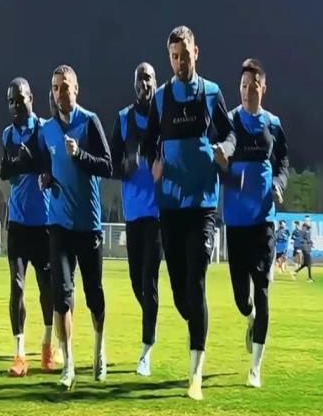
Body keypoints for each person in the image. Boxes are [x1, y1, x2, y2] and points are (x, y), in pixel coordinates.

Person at [143, 25, 236, 400]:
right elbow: (148, 143)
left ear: (196, 52)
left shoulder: (211, 93)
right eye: (174, 57)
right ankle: (194, 318)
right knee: (181, 294)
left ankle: (195, 372)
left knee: (196, 284)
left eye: (185, 55)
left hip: (203, 206)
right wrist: (153, 163)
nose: (180, 62)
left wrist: (225, 150)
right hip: (171, 206)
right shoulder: (161, 98)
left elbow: (230, 134)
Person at [39, 65, 112, 390]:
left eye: (65, 87)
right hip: (58, 224)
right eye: (55, 88)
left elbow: (107, 166)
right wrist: (45, 178)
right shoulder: (47, 130)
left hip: (88, 224)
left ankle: (99, 347)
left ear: (76, 89)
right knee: (62, 297)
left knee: (94, 295)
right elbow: (47, 166)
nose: (60, 93)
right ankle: (68, 364)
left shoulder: (90, 122)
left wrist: (80, 154)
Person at [223, 58, 289, 389]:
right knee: (242, 299)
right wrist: (228, 175)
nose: (247, 92)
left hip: (264, 221)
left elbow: (283, 162)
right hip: (236, 223)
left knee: (262, 292)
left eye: (253, 86)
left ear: (264, 88)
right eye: (243, 86)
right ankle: (248, 318)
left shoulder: (273, 124)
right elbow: (217, 164)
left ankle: (255, 368)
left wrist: (278, 184)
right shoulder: (229, 121)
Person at [0, 77, 58, 377]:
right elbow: (5, 171)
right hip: (18, 224)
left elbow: (53, 166)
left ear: (31, 98)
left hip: (44, 224)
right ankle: (20, 354)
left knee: (47, 290)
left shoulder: (45, 130)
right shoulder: (8, 135)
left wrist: (34, 164)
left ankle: (47, 345)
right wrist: (8, 167)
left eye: (20, 99)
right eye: (11, 101)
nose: (16, 106)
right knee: (17, 286)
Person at [110, 62, 162, 376]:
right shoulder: (123, 119)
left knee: (149, 279)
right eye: (140, 79)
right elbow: (110, 163)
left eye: (148, 78)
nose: (144, 83)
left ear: (155, 82)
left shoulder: (164, 118)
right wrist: (125, 166)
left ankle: (146, 351)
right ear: (134, 85)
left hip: (158, 213)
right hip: (133, 213)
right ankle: (151, 320)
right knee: (135, 281)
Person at [293, 217, 314, 282]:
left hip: (308, 247)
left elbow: (308, 238)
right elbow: (301, 238)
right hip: (305, 248)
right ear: (305, 221)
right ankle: (310, 278)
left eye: (309, 220)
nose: (308, 221)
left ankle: (295, 272)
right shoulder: (304, 228)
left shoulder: (308, 228)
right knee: (309, 263)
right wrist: (300, 247)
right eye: (307, 220)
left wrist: (311, 243)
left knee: (305, 263)